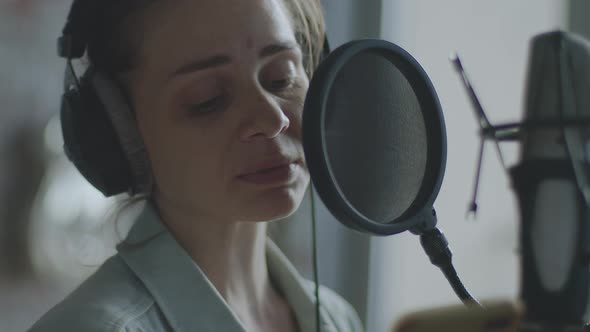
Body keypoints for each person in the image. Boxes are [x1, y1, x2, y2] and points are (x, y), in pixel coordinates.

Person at [29, 0, 364, 331]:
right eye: (208, 100)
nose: (272, 119)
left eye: (281, 78)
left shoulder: (337, 320)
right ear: (120, 133)